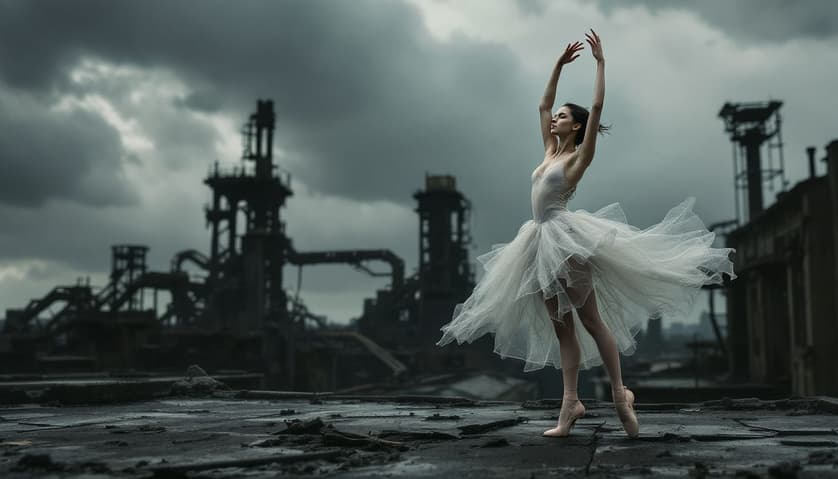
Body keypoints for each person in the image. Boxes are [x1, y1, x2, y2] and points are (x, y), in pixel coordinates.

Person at [436, 29, 737, 439]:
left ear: (576, 127)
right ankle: (570, 405)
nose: (555, 117)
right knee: (562, 327)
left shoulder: (577, 157)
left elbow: (596, 106)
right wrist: (558, 66)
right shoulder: (548, 152)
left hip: (564, 240)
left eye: (563, 116)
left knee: (591, 320)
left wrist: (600, 63)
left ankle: (619, 395)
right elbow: (542, 103)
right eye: (556, 116)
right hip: (537, 242)